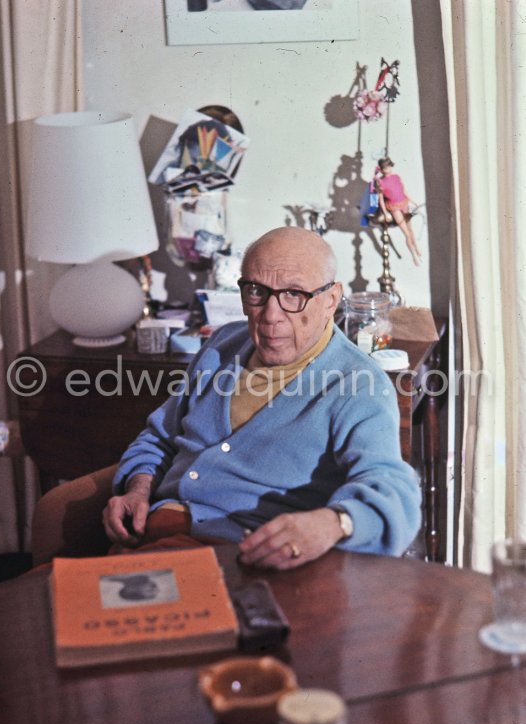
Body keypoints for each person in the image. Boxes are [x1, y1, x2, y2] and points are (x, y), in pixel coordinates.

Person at [103, 226, 421, 568]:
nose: (271, 315)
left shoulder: (357, 385)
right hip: (153, 535)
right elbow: (160, 437)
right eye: (256, 291)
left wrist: (333, 523)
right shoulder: (222, 345)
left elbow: (393, 489)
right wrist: (137, 490)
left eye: (294, 294)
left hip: (241, 557)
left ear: (331, 300)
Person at [376, 157, 422, 266]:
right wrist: (386, 213)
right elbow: (381, 199)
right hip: (394, 207)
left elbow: (403, 190)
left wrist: (412, 201)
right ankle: (413, 255)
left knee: (411, 230)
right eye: (386, 167)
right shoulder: (381, 182)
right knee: (406, 233)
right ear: (382, 169)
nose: (389, 169)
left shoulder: (396, 177)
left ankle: (416, 249)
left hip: (404, 203)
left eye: (390, 166)